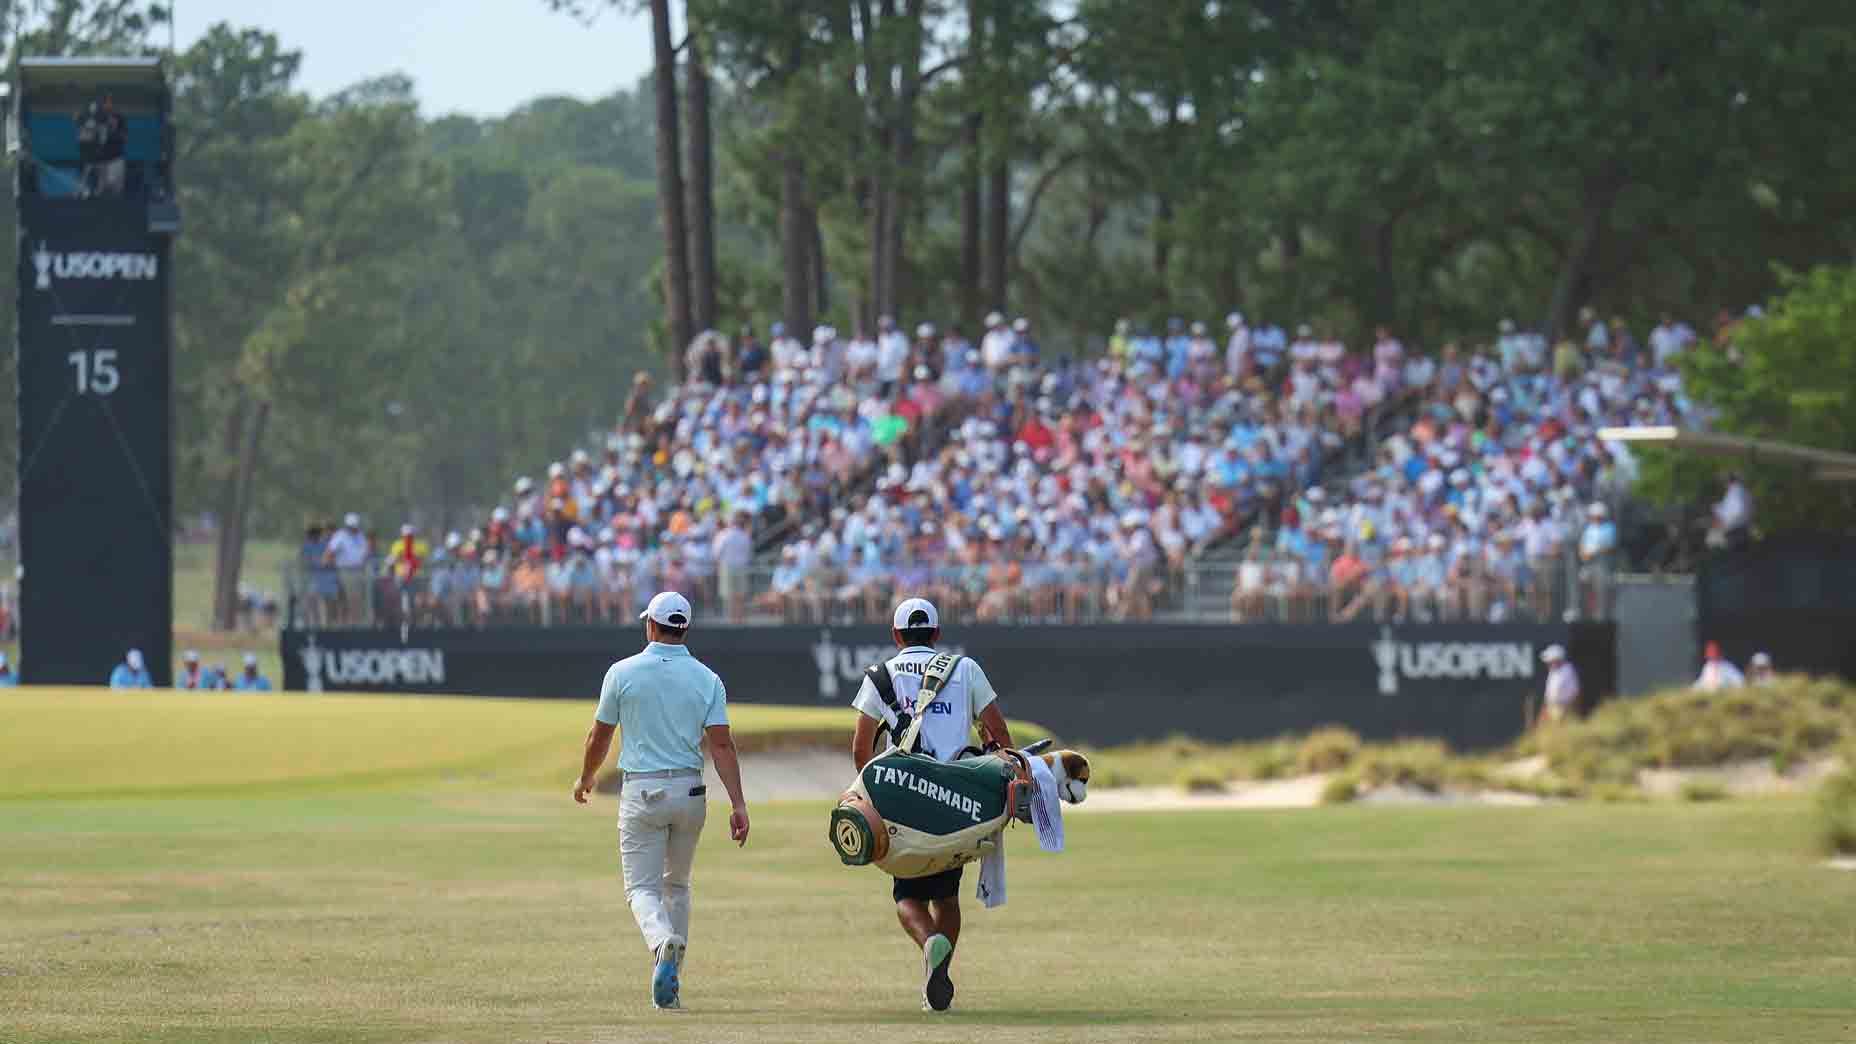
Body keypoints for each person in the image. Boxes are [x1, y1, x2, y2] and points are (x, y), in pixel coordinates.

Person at [573, 591, 750, 1011]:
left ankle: (661, 943)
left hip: (642, 792)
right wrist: (739, 804)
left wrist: (585, 777)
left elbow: (600, 736)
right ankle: (672, 985)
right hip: (690, 792)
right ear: (684, 628)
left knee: (640, 889)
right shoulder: (708, 678)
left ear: (651, 625)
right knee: (679, 887)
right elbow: (722, 746)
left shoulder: (622, 672)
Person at [850, 597, 1014, 1013]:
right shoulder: (965, 669)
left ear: (896, 636)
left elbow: (861, 747)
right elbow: (999, 735)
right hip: (954, 802)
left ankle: (929, 944)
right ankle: (934, 978)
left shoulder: (880, 674)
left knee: (906, 896)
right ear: (937, 635)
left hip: (902, 802)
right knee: (947, 899)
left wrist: (875, 796)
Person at [1538, 644, 1580, 725]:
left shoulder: (1568, 671)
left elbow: (1575, 693)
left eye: (1550, 660)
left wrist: (1566, 710)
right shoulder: (1553, 672)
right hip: (1552, 709)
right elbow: (1549, 694)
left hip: (1564, 709)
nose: (1547, 662)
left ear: (1557, 659)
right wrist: (1545, 710)